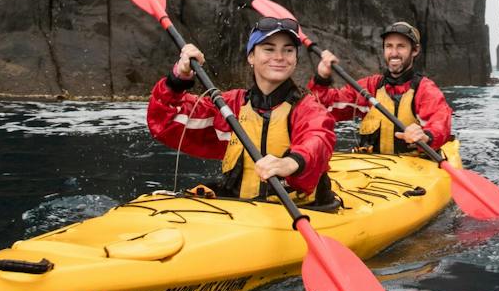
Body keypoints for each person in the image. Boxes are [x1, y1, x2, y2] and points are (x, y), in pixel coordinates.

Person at [145, 15, 336, 203]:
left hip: (303, 209)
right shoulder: (230, 105)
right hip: (241, 209)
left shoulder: (309, 108)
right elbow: (164, 121)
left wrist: (290, 162)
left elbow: (319, 138)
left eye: (288, 51)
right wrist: (178, 78)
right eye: (269, 49)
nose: (279, 57)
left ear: (295, 59)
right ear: (251, 56)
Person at [309, 21, 454, 155]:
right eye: (389, 46)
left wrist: (426, 136)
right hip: (376, 170)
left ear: (415, 50)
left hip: (414, 170)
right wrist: (322, 77)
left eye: (401, 46)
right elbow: (323, 106)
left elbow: (440, 123)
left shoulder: (425, 89)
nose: (394, 53)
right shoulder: (369, 87)